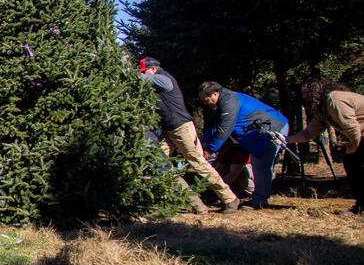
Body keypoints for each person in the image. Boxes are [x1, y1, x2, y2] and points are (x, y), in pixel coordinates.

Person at [139, 58, 239, 214]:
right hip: (168, 130)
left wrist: (123, 70)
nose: (143, 74)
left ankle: (229, 198)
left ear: (152, 69)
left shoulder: (164, 78)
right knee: (158, 165)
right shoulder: (155, 80)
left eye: (144, 71)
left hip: (181, 128)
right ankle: (170, 202)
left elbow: (142, 79)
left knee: (198, 163)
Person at [199, 81, 289, 210]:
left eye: (206, 99)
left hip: (272, 128)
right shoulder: (221, 102)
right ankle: (258, 197)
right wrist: (206, 144)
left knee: (262, 164)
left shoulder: (229, 102)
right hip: (256, 134)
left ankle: (259, 201)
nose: (205, 102)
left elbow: (225, 128)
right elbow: (214, 126)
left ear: (215, 93)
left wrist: (210, 149)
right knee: (259, 164)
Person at [287, 78, 364, 214]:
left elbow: (352, 127)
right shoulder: (324, 109)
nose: (304, 98)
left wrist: (354, 146)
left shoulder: (334, 100)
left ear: (314, 93)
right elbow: (308, 133)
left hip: (360, 136)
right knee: (352, 164)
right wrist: (285, 140)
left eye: (306, 94)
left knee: (354, 163)